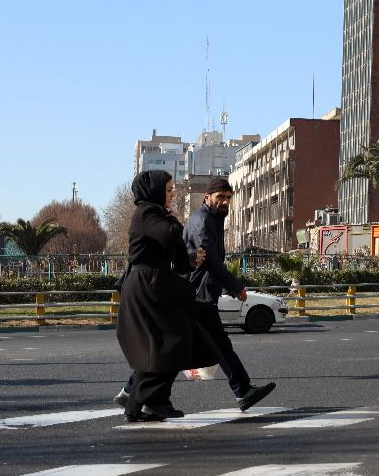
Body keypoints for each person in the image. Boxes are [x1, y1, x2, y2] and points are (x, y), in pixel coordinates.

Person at [114, 170, 218, 422]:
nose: (172, 194)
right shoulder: (147, 213)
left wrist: (191, 260)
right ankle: (146, 402)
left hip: (157, 284)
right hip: (148, 288)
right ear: (155, 190)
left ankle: (148, 403)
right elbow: (169, 235)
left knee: (169, 343)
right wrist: (173, 220)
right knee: (167, 342)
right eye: (169, 189)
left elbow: (171, 257)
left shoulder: (154, 214)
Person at [184, 176, 276, 411]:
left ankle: (243, 390)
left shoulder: (211, 219)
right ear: (207, 197)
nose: (225, 202)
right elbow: (210, 262)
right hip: (195, 295)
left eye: (228, 198)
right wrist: (235, 286)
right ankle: (242, 390)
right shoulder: (203, 221)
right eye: (220, 197)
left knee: (206, 346)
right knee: (176, 347)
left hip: (199, 294)